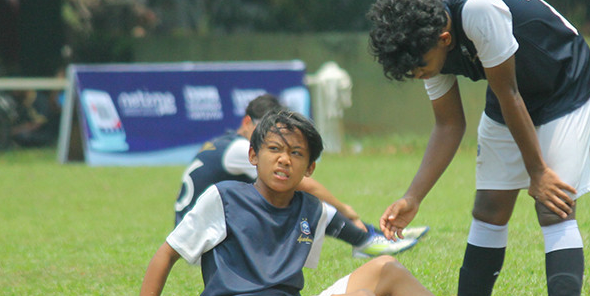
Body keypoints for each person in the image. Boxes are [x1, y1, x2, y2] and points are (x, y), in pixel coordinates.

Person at [108, 109, 551, 296]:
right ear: (252, 156)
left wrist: (373, 222)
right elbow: (165, 254)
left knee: (385, 271)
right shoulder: (222, 197)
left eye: (297, 153)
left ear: (311, 168)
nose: (284, 159)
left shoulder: (311, 211)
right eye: (274, 149)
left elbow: (357, 243)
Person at [366, 0, 590, 296]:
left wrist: (538, 173)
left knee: (553, 206)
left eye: (420, 66)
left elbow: (509, 92)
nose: (419, 73)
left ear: (444, 38)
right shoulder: (425, 42)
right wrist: (413, 197)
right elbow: (449, 124)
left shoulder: (479, 11)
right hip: (510, 93)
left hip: (563, 84)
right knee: (489, 208)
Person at [174, 93, 427, 258]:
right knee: (294, 196)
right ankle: (363, 240)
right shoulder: (241, 149)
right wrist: (346, 210)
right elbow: (305, 183)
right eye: (263, 127)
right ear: (247, 122)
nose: (271, 134)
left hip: (197, 229)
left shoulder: (226, 143)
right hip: (201, 240)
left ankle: (374, 234)